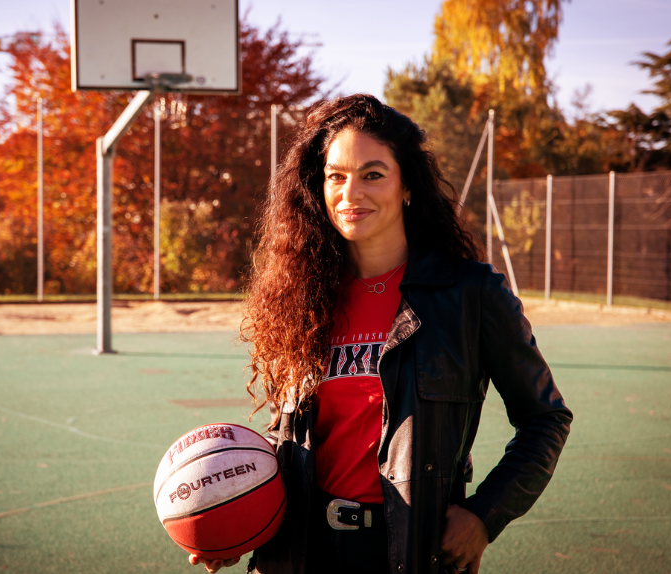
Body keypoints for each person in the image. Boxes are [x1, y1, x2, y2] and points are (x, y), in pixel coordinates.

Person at [189, 94, 572, 574]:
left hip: (410, 550)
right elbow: (296, 442)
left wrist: (482, 515)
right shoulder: (303, 296)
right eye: (336, 176)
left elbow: (545, 420)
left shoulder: (471, 294)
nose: (351, 195)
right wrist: (237, 519)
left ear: (407, 185)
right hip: (301, 551)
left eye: (372, 174)